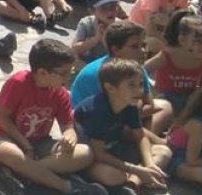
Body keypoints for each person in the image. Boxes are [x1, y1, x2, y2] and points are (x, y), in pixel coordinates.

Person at [0, 39, 104, 195]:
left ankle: (23, 174)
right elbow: (2, 118)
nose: (68, 77)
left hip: (40, 142)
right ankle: (67, 186)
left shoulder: (60, 92)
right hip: (8, 137)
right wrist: (25, 145)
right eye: (63, 73)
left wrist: (70, 137)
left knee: (86, 153)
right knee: (7, 153)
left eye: (70, 71)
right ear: (43, 73)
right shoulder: (18, 82)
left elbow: (67, 126)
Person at [74, 59, 172, 192]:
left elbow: (140, 136)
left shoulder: (129, 103)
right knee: (114, 176)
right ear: (110, 88)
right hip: (92, 156)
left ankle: (132, 184)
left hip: (114, 147)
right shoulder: (97, 110)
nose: (139, 91)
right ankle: (78, 178)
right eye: (131, 85)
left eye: (141, 84)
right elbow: (99, 153)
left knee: (163, 152)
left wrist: (149, 164)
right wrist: (136, 169)